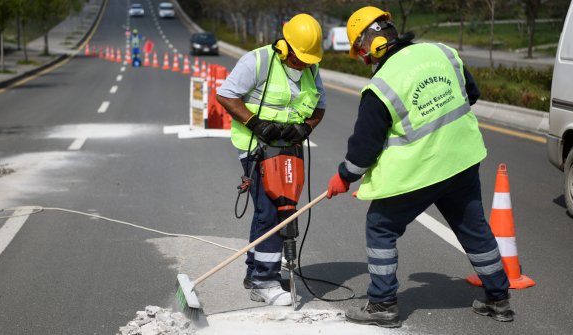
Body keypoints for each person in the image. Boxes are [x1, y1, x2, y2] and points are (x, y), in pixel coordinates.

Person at [325, 6, 513, 328]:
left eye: (360, 50)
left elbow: (364, 150)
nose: (363, 58)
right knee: (475, 228)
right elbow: (471, 94)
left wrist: (344, 177)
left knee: (380, 228)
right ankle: (499, 300)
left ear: (367, 47)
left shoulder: (381, 85)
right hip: (462, 159)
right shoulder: (441, 52)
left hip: (423, 171)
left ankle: (383, 304)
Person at [216, 13, 326, 306]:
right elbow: (226, 95)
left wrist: (305, 128)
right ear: (284, 46)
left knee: (281, 208)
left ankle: (255, 271)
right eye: (299, 58)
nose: (303, 64)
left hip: (289, 146)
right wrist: (256, 123)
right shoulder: (258, 61)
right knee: (272, 211)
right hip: (256, 146)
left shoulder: (312, 69)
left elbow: (320, 107)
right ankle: (265, 281)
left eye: (308, 60)